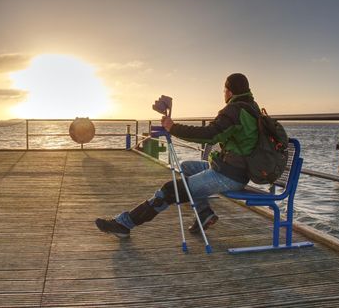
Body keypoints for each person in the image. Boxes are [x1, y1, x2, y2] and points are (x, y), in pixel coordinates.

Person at [95, 73, 260, 238]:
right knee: (187, 167)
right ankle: (204, 213)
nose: (224, 93)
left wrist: (173, 128)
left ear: (229, 91)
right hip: (236, 168)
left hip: (229, 175)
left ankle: (125, 224)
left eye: (224, 90)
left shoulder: (235, 110)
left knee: (170, 190)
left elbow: (209, 134)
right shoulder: (251, 108)